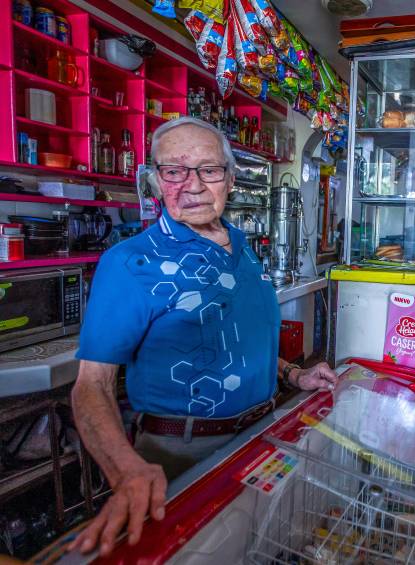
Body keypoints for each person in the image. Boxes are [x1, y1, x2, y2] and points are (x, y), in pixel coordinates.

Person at [69, 117, 339, 556]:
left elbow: (234, 338)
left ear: (230, 180)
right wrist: (125, 471)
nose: (192, 185)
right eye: (174, 170)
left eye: (209, 170)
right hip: (184, 452)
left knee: (258, 548)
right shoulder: (131, 263)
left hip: (260, 438)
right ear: (156, 180)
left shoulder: (242, 245)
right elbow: (91, 385)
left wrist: (292, 375)